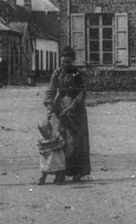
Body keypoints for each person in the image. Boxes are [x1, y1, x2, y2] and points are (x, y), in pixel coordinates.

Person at [44, 47, 90, 181]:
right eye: (63, 62)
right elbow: (51, 89)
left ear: (73, 60)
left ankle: (77, 172)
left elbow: (81, 91)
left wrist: (73, 105)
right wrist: (49, 105)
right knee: (60, 139)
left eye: (68, 62)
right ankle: (61, 172)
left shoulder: (76, 73)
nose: (65, 64)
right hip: (60, 107)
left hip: (75, 109)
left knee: (75, 140)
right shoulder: (57, 73)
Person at [37, 113, 66, 185]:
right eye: (42, 133)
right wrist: (41, 150)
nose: (44, 135)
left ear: (50, 129)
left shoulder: (55, 135)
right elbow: (40, 145)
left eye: (46, 132)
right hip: (46, 154)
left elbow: (62, 142)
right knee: (45, 167)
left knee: (57, 166)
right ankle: (43, 177)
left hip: (55, 153)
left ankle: (58, 178)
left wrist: (56, 147)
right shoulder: (41, 138)